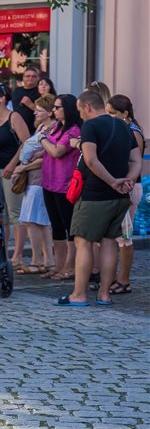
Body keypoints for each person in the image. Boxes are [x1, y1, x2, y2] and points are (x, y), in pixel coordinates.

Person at [57, 90, 138, 307]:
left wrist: (112, 181)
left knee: (83, 242)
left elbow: (91, 160)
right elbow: (136, 160)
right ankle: (104, 294)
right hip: (119, 196)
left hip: (94, 194)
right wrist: (127, 180)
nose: (80, 116)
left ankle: (79, 294)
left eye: (80, 111)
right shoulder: (122, 125)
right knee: (109, 242)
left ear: (87, 107)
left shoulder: (91, 126)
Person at [0, 86, 32, 269]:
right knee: (0, 215)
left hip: (10, 172)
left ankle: (17, 255)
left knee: (15, 214)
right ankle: (3, 252)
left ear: (3, 99)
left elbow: (26, 142)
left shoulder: (14, 117)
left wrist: (13, 165)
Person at [39, 93, 82, 281]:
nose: (54, 110)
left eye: (57, 107)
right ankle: (58, 265)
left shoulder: (74, 130)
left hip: (64, 184)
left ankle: (70, 266)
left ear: (68, 109)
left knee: (69, 226)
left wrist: (42, 139)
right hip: (49, 182)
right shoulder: (57, 126)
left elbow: (57, 151)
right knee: (56, 226)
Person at [14, 95, 56, 274]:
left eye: (39, 110)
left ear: (49, 112)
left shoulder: (52, 130)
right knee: (39, 221)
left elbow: (47, 157)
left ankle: (37, 260)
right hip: (33, 178)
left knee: (33, 220)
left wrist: (23, 167)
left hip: (40, 179)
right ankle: (48, 260)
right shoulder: (41, 127)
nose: (36, 113)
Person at [108, 94, 143, 295]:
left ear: (125, 114)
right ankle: (112, 277)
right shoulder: (121, 128)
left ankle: (124, 279)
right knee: (114, 236)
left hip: (129, 187)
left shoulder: (133, 132)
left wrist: (127, 182)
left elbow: (135, 162)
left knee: (125, 236)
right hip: (119, 185)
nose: (109, 116)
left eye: (113, 113)